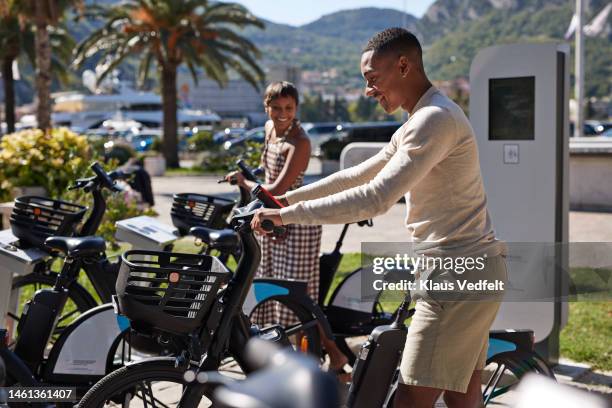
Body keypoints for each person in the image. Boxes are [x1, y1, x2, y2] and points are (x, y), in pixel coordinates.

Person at [252, 28, 508, 408]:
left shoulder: (433, 119)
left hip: (455, 277)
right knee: (461, 398)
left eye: (373, 78)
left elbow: (376, 197)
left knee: (408, 398)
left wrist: (287, 216)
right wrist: (283, 197)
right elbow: (359, 174)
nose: (369, 90)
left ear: (403, 65)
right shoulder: (420, 118)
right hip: (468, 269)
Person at [225, 81, 350, 377]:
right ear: (266, 107)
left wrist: (245, 183)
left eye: (289, 109)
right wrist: (244, 176)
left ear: (296, 109)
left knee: (298, 296)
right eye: (276, 108)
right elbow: (265, 174)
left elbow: (277, 188)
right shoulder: (271, 131)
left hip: (296, 219)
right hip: (271, 220)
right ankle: (283, 356)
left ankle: (333, 355)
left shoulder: (300, 142)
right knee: (272, 287)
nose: (283, 114)